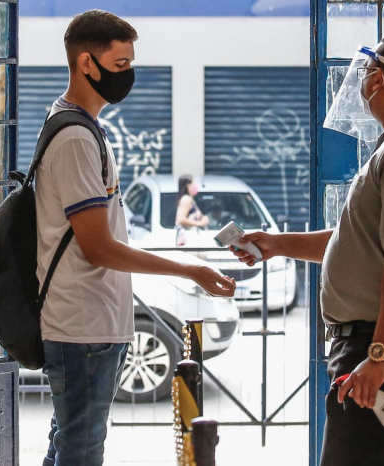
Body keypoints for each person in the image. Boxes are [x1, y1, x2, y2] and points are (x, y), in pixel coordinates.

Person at [231, 34, 384, 466]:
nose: (359, 88)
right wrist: (276, 244)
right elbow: (357, 241)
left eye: (363, 78)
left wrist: (379, 356)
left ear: (378, 79)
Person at [36, 10, 235, 466]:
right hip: (82, 326)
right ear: (87, 63)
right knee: (81, 452)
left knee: (69, 444)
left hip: (91, 322)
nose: (129, 75)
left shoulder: (84, 127)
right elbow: (98, 246)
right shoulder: (75, 138)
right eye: (121, 64)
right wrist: (191, 268)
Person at [175, 174, 208, 246]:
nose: (196, 185)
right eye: (194, 183)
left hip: (192, 237)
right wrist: (200, 223)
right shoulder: (186, 199)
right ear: (188, 185)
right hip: (188, 239)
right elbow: (180, 220)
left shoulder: (190, 199)